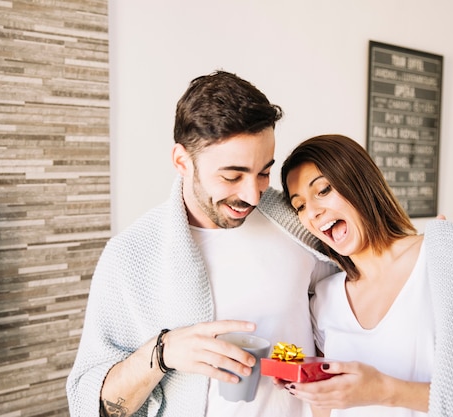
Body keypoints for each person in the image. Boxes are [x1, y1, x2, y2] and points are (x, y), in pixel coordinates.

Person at [66, 71, 338, 417]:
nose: (252, 194)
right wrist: (163, 354)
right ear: (182, 161)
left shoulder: (299, 225)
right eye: (231, 176)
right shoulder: (130, 257)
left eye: (263, 172)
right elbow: (93, 407)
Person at [279, 134, 453, 417]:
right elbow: (325, 404)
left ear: (360, 182)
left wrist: (384, 391)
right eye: (299, 205)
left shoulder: (442, 256)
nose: (312, 212)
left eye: (324, 190)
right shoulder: (325, 297)